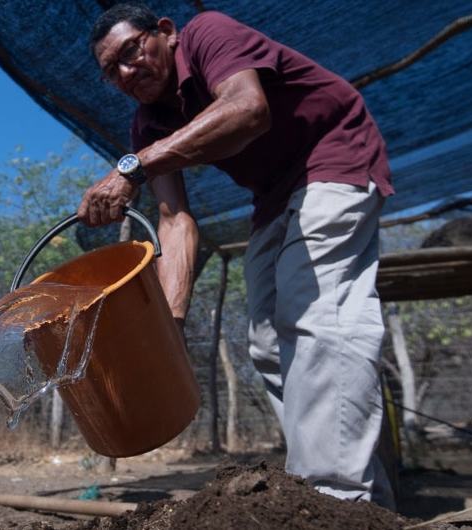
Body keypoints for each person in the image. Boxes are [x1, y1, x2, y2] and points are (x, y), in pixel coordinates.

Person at [77, 3, 395, 507]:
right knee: (267, 341)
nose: (125, 72)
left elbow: (248, 109)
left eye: (131, 52)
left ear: (166, 32)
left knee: (317, 314)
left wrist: (133, 167)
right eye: (110, 70)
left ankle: (336, 499)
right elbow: (175, 223)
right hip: (272, 195)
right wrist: (171, 325)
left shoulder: (209, 32)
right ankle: (341, 488)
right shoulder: (147, 126)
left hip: (333, 153)